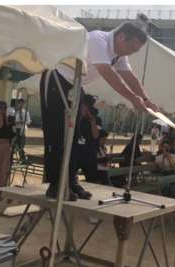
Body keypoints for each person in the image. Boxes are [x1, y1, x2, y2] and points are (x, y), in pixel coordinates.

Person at [40, 21, 158, 200]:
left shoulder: (119, 53)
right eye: (131, 48)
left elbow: (129, 76)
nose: (130, 52)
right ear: (121, 36)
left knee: (75, 137)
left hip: (76, 85)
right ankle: (55, 185)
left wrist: (146, 99)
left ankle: (70, 180)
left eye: (135, 50)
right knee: (57, 134)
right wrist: (133, 99)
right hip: (57, 79)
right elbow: (107, 73)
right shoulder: (97, 40)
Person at [13, 98, 31, 163]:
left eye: (22, 103)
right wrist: (15, 122)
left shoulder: (26, 112)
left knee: (21, 144)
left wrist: (23, 122)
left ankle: (22, 157)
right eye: (20, 103)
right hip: (15, 129)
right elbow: (12, 120)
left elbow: (28, 121)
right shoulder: (15, 112)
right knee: (16, 143)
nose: (21, 105)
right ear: (18, 104)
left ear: (24, 104)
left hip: (22, 129)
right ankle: (21, 157)